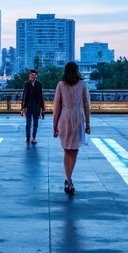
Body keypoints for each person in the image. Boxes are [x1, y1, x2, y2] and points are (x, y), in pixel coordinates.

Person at [53, 61, 91, 194]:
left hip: (64, 118)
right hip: (78, 119)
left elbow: (56, 106)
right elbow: (86, 105)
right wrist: (88, 123)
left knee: (66, 150)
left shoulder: (61, 85)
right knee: (74, 150)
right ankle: (69, 179)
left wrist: (54, 125)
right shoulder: (82, 84)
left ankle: (68, 179)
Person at [20, 69, 45, 145]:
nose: (32, 77)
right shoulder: (27, 84)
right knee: (28, 124)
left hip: (36, 107)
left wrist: (42, 107)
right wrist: (23, 107)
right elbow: (24, 95)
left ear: (36, 76)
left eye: (34, 75)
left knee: (35, 124)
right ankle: (28, 137)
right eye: (31, 75)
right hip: (28, 106)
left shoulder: (39, 84)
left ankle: (33, 137)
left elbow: (41, 96)